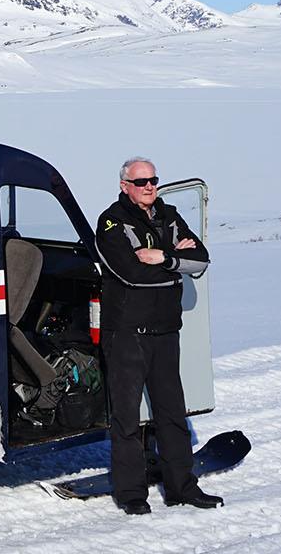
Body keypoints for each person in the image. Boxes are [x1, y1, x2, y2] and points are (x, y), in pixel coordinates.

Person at [93, 157, 220, 514]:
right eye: (141, 182)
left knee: (173, 413)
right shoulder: (111, 222)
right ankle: (132, 495)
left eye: (153, 180)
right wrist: (175, 263)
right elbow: (131, 273)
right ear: (125, 186)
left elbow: (201, 260)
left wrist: (162, 257)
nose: (149, 187)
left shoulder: (169, 216)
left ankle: (183, 488)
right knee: (127, 418)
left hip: (166, 330)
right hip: (128, 334)